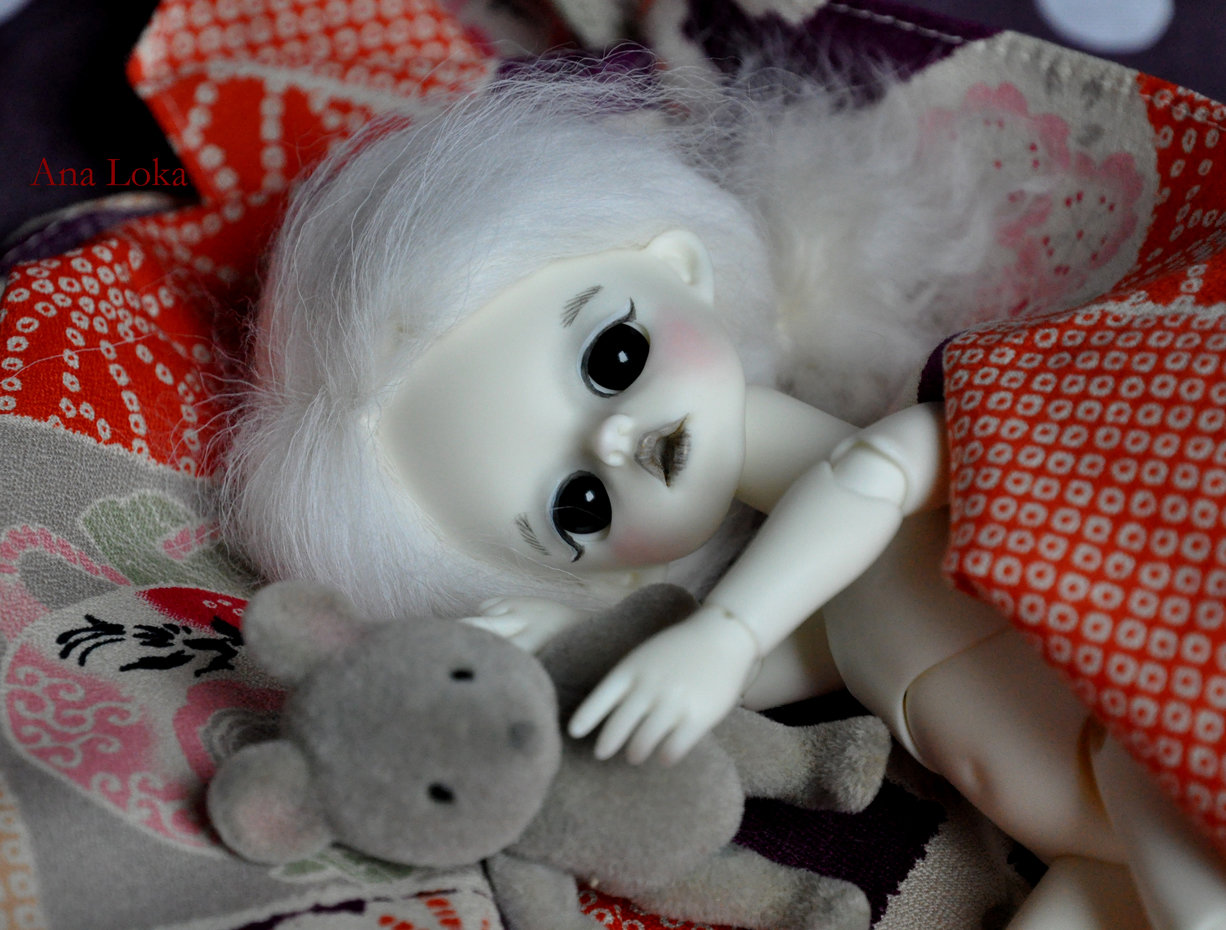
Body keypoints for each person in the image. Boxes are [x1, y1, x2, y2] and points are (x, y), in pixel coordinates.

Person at [223, 62, 1226, 929]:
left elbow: (870, 480)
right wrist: (585, 651)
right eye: (578, 508)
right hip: (1086, 844)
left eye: (614, 357)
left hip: (1137, 735)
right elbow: (778, 659)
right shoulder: (806, 615)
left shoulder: (902, 458)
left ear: (682, 268)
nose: (618, 440)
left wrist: (723, 636)